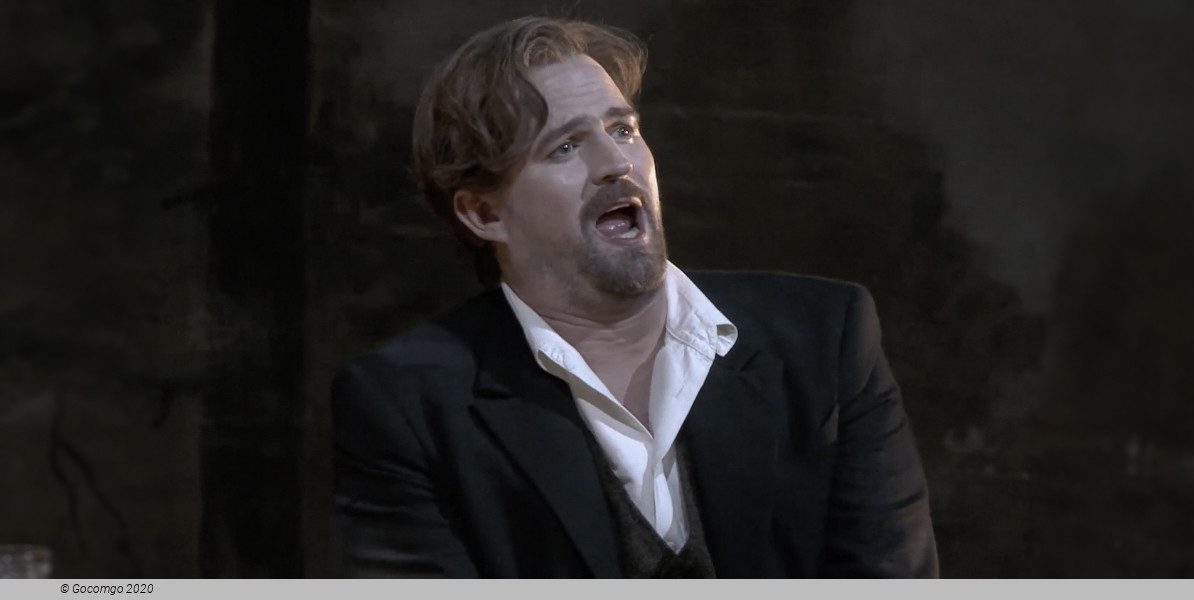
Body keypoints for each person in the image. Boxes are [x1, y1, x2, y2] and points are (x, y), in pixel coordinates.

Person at [331, 16, 938, 578]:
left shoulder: (826, 341)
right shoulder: (407, 405)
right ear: (485, 214)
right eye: (565, 147)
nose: (616, 163)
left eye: (622, 129)